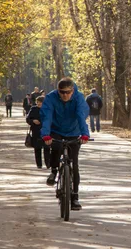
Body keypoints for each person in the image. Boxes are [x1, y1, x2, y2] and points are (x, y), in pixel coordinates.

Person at [40, 77, 90, 210]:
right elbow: (47, 116)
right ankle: (54, 170)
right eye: (62, 92)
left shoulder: (79, 98)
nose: (65, 95)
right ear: (58, 90)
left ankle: (75, 197)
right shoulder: (51, 98)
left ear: (73, 91)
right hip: (56, 130)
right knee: (55, 148)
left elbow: (81, 115)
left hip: (74, 131)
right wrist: (45, 134)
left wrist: (85, 134)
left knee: (74, 164)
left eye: (68, 92)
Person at [26, 96, 50, 169]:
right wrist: (33, 121)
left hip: (46, 131)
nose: (39, 104)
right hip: (36, 131)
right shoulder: (33, 109)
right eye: (38, 102)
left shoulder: (48, 109)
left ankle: (48, 164)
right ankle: (39, 164)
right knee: (37, 148)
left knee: (47, 148)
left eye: (41, 102)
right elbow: (28, 119)